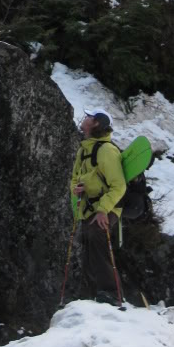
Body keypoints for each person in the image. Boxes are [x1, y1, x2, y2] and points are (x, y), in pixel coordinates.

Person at [70, 108, 126, 305]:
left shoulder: (107, 151)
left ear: (96, 123)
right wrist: (76, 188)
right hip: (89, 208)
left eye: (89, 117)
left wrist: (103, 210)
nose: (84, 119)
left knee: (96, 236)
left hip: (108, 207)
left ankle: (111, 294)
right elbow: (75, 178)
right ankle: (93, 295)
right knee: (87, 243)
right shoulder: (83, 151)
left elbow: (119, 185)